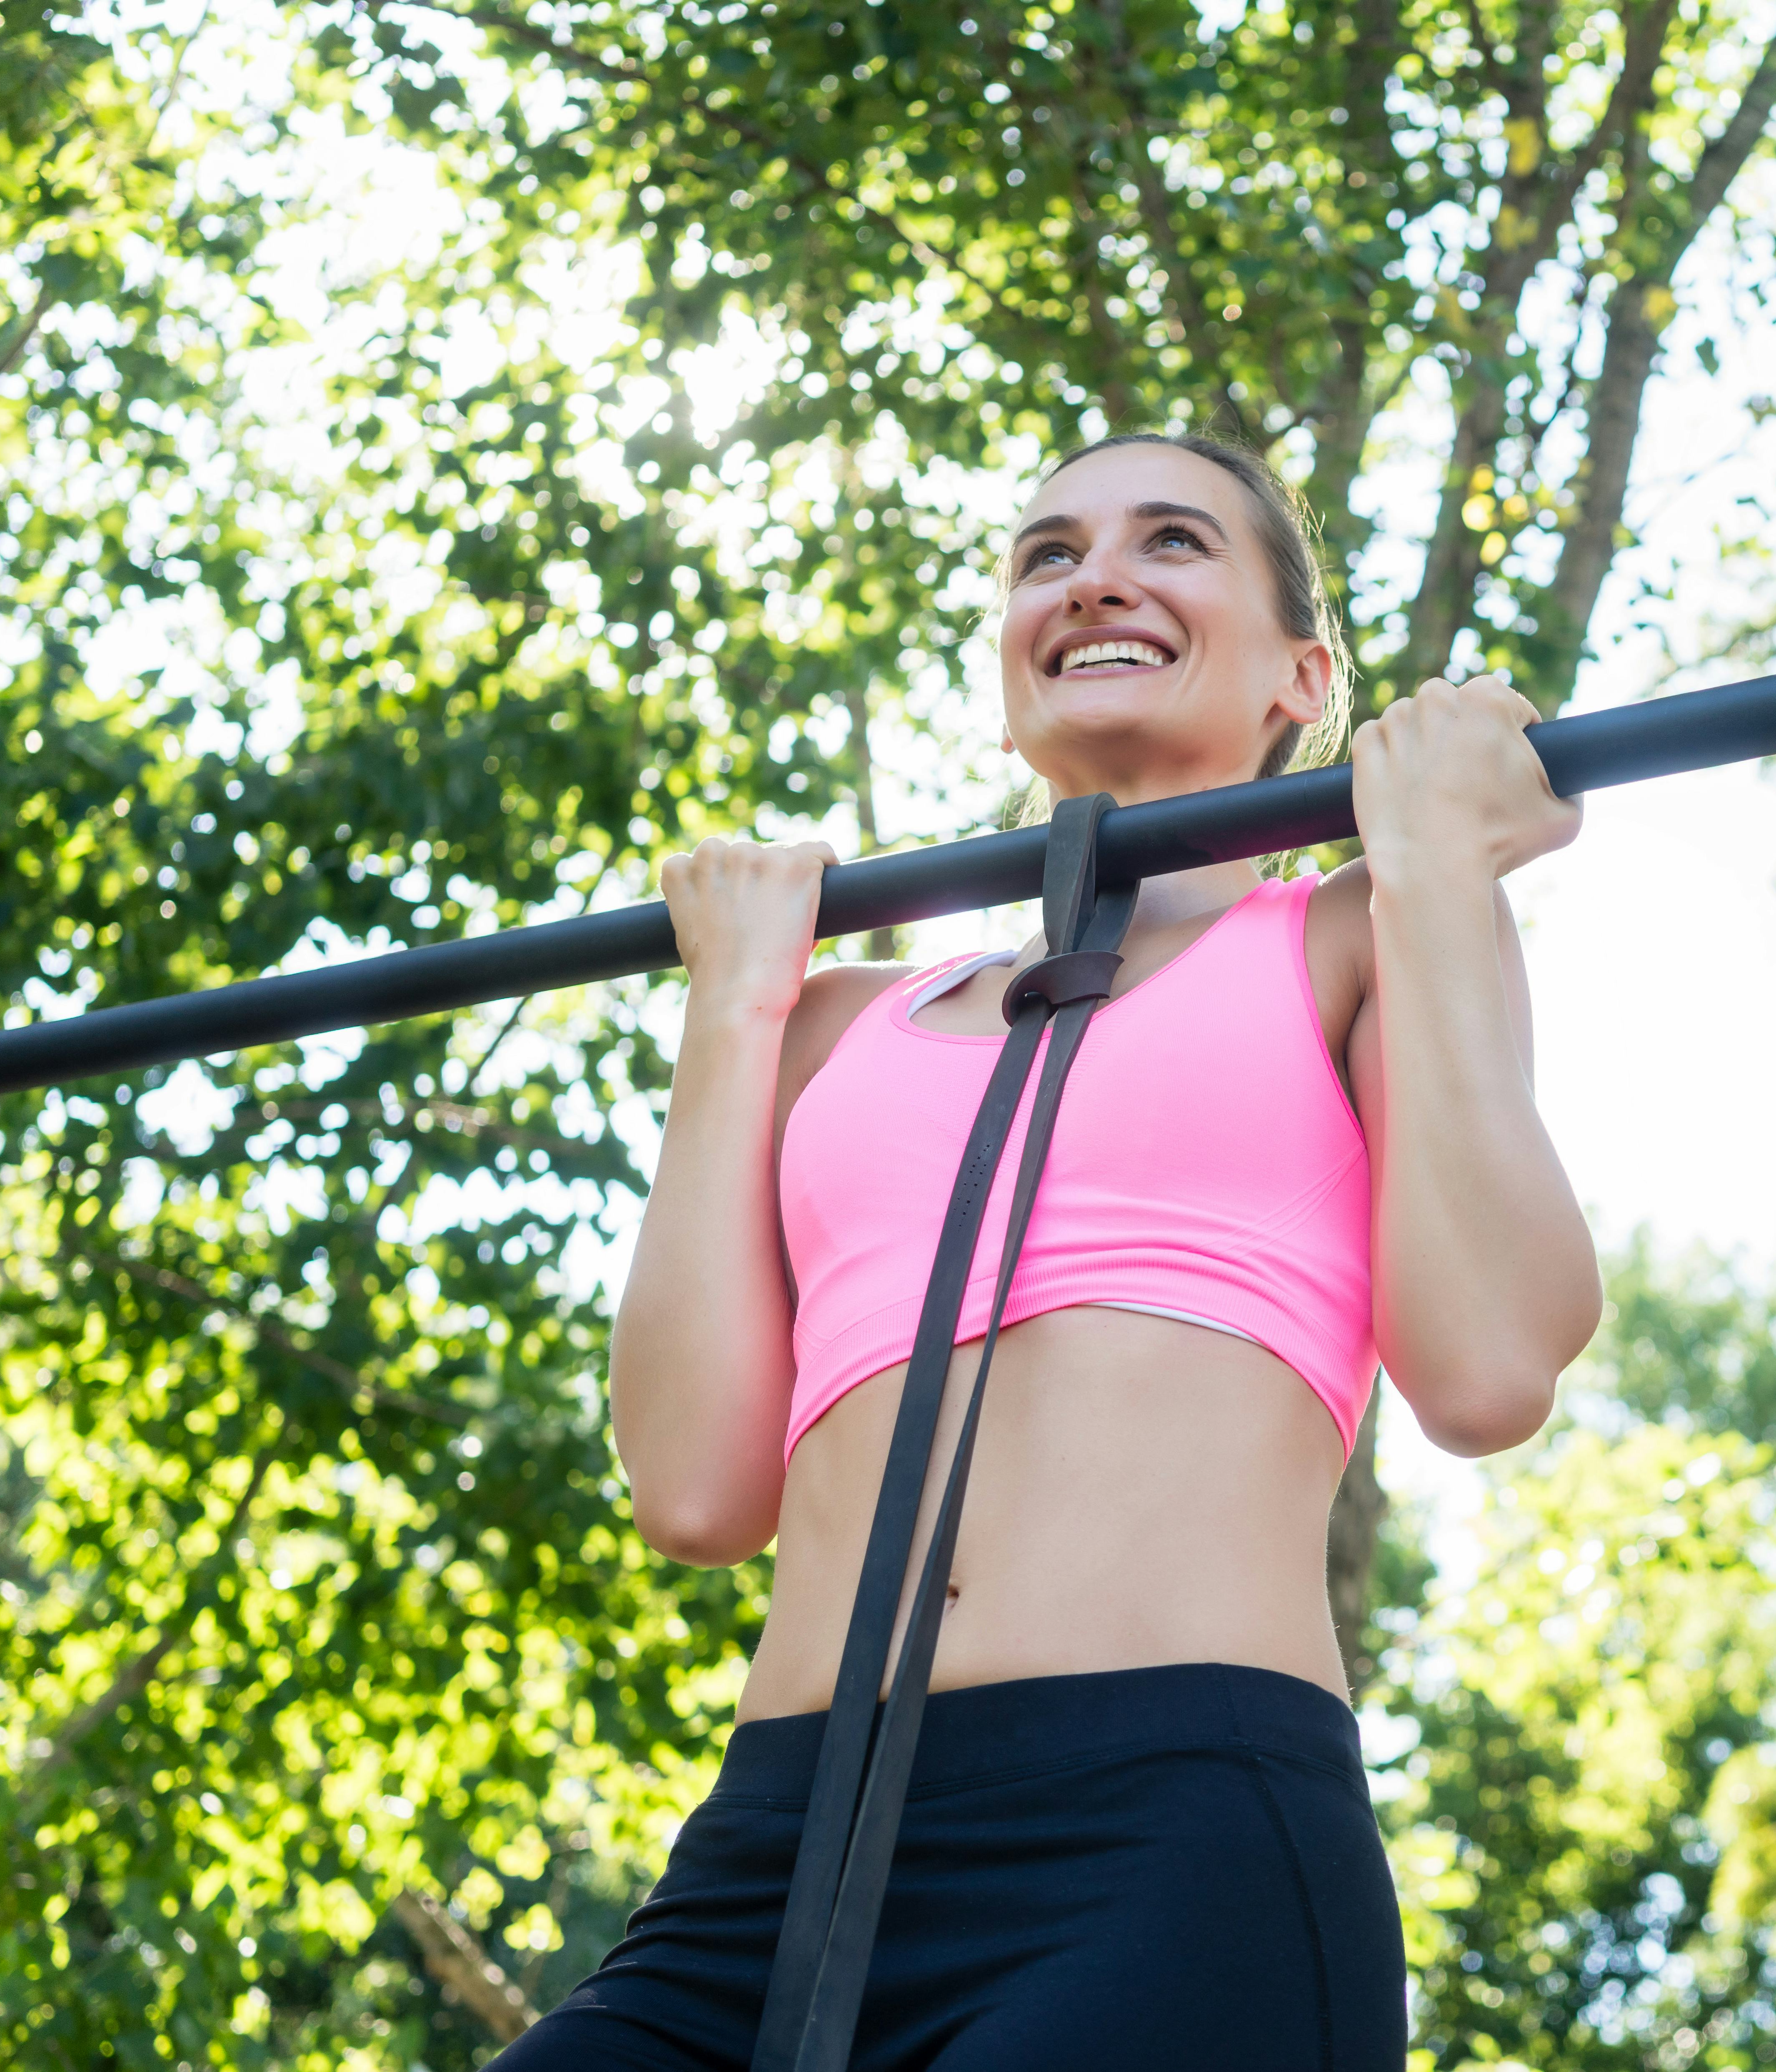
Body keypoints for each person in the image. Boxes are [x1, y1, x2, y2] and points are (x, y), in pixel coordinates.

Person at [494, 430, 1602, 2071]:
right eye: (1046, 553)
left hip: (1165, 1843)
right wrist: (727, 1010)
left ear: (1303, 673)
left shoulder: (1352, 936)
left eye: (1171, 541)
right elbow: (694, 1487)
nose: (1094, 575)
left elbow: (1494, 1363)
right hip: (771, 1859)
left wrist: (1433, 862)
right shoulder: (825, 1023)